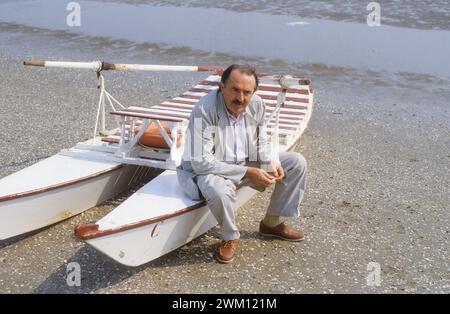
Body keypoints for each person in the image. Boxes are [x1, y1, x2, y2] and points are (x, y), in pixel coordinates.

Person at [177, 64, 307, 263]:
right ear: (222, 87)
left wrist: (270, 160)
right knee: (217, 189)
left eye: (247, 92)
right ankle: (230, 236)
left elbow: (262, 140)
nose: (241, 98)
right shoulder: (204, 109)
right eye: (235, 90)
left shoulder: (257, 104)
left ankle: (272, 224)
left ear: (254, 92)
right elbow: (201, 163)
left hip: (245, 160)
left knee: (296, 162)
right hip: (211, 169)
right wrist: (248, 172)